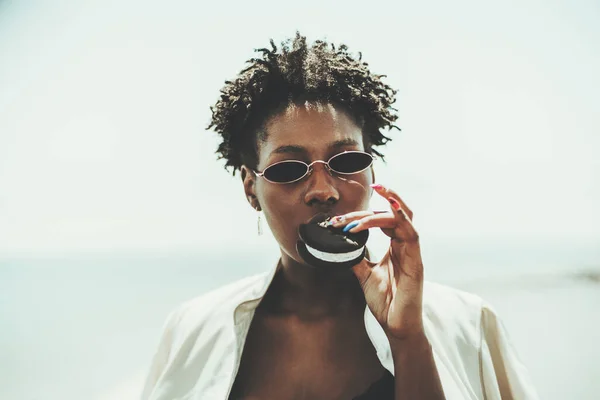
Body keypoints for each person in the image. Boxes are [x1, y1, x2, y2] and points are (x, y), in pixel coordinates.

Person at [140, 33, 539, 400]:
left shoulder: (469, 326)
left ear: (372, 174)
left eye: (346, 161)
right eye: (288, 168)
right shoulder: (193, 331)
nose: (324, 191)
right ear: (251, 189)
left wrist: (409, 340)